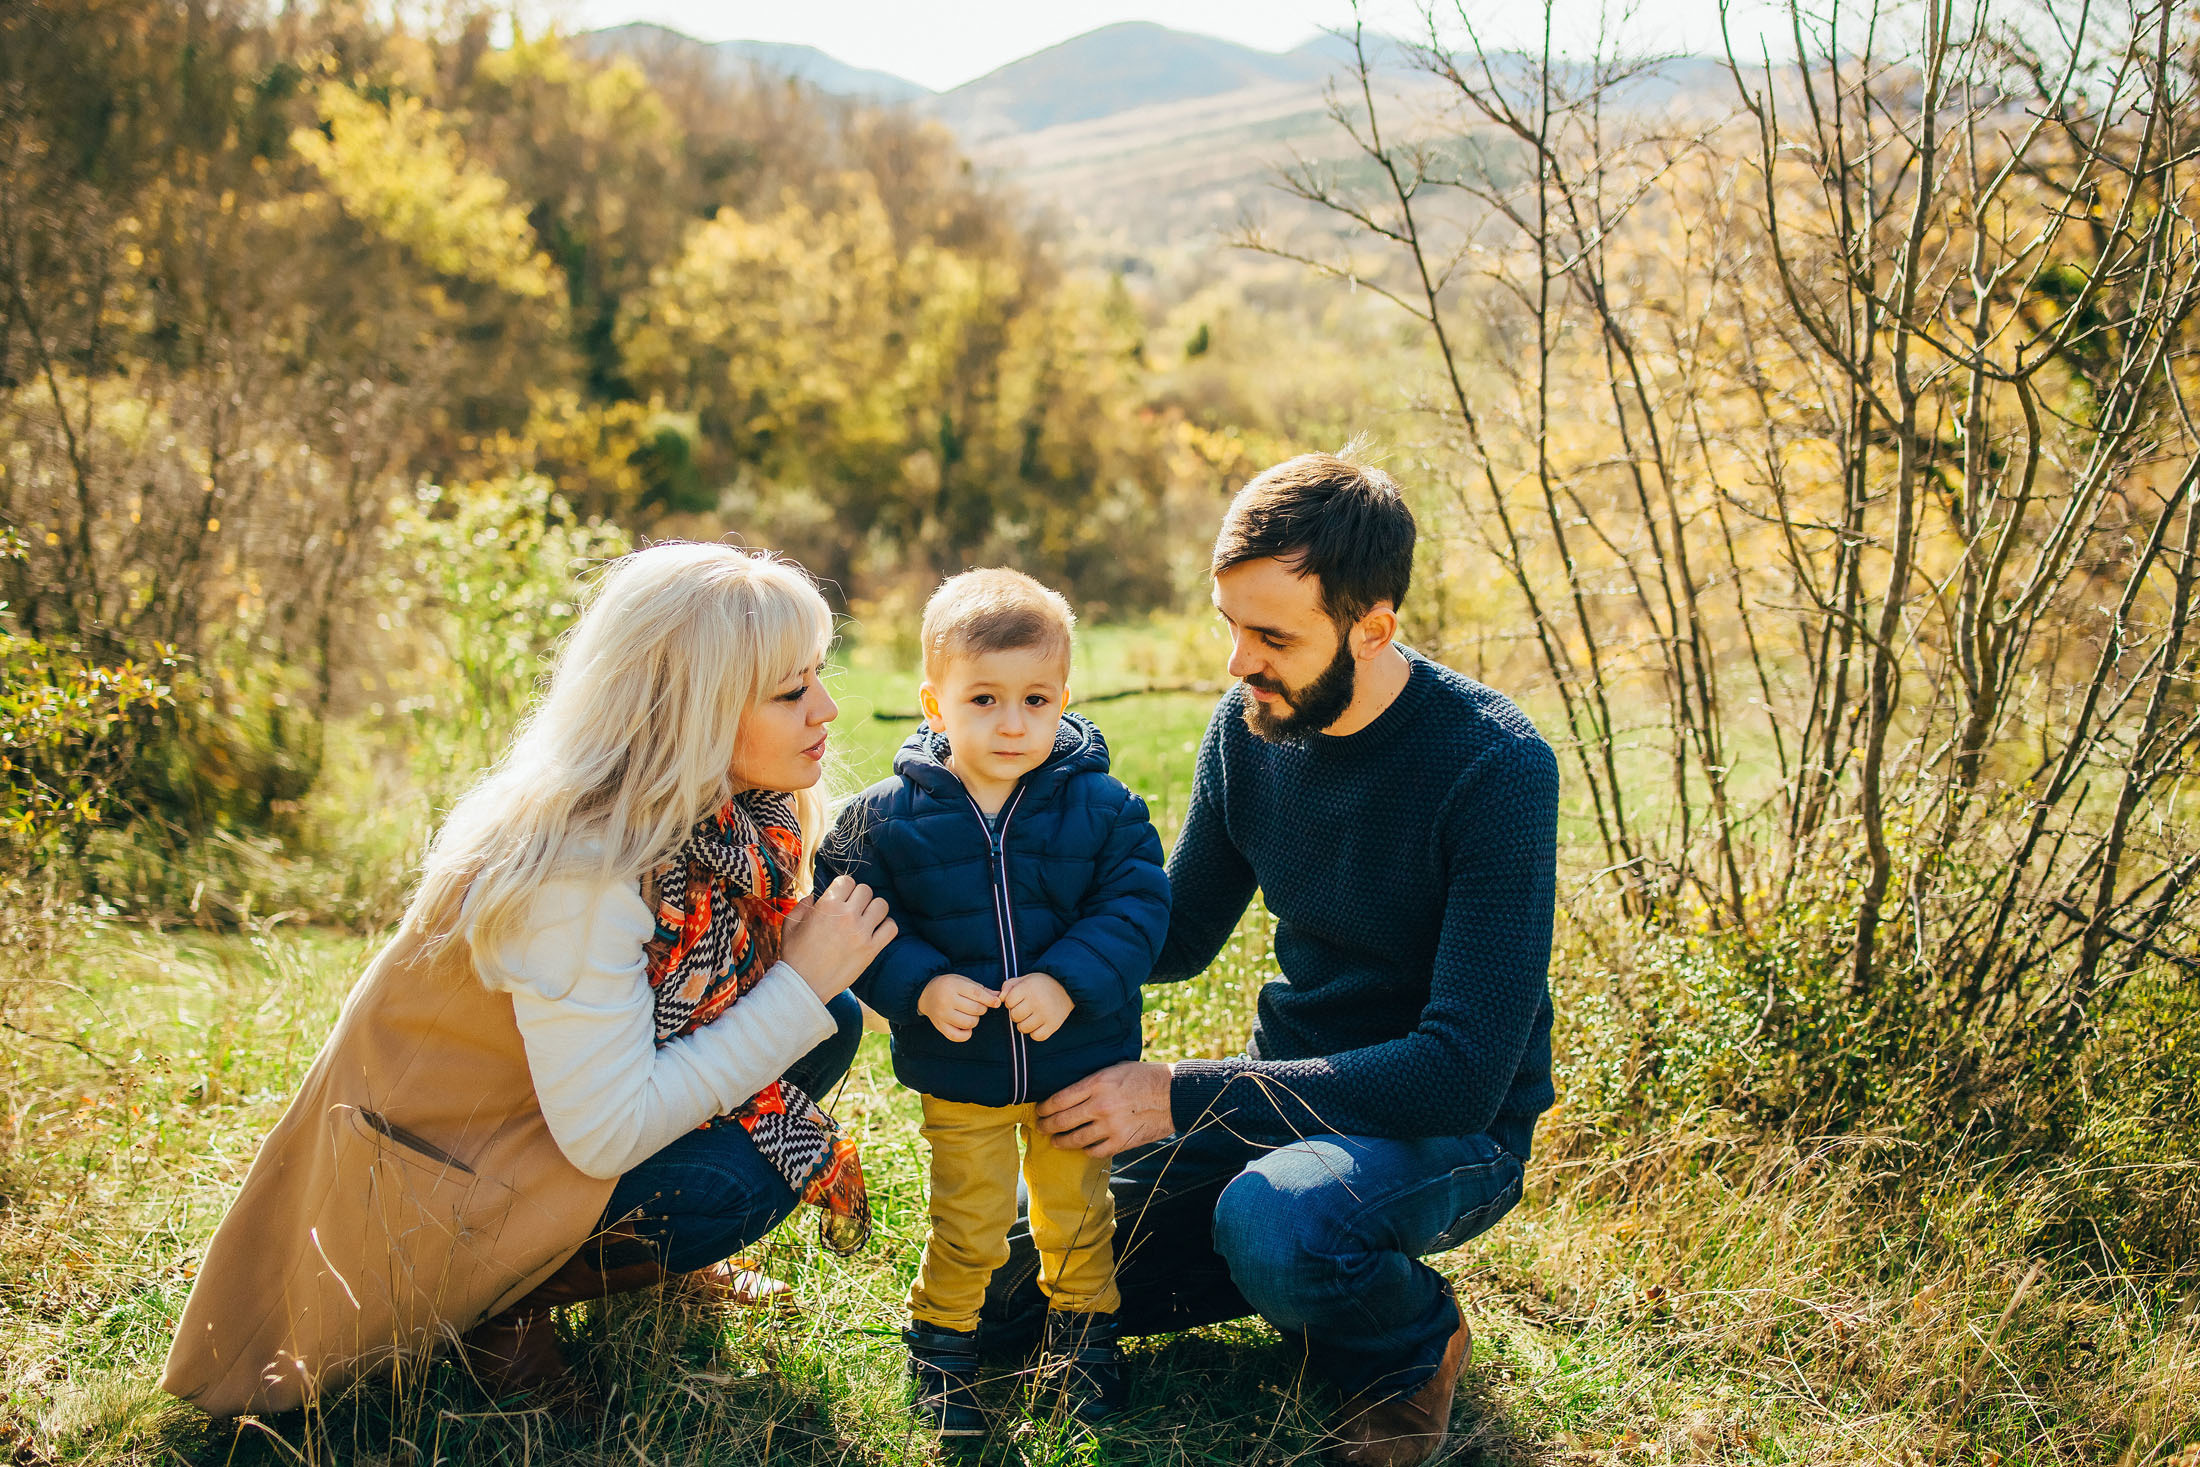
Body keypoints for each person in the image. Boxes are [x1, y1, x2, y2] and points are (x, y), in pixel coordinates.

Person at [162, 544, 898, 1418]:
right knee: (747, 1169)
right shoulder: (582, 872)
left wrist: (814, 986)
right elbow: (606, 1132)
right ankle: (504, 1311)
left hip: (536, 1121)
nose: (828, 707)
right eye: (790, 691)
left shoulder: (725, 822)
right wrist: (797, 985)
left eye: (816, 675)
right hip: (441, 1187)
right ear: (689, 714)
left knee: (831, 1020)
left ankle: (654, 1269)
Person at [987, 452, 1559, 1467]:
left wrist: (1179, 1098)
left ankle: (1409, 1345)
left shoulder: (1494, 765)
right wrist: (1011, 933)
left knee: (1277, 1221)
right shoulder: (1247, 729)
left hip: (1447, 1131)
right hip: (1284, 1106)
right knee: (1015, 1268)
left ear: (1372, 628)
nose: (1238, 664)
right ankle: (1284, 1275)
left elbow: (1459, 1073)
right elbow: (1177, 931)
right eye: (1231, 627)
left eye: (1273, 637)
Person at [819, 569, 1170, 1436]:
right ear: (934, 704)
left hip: (1076, 1065)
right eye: (984, 698)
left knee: (1080, 1215)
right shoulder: (883, 821)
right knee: (971, 1224)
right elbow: (854, 919)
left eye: (1036, 699)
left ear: (1064, 699)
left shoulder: (1103, 806)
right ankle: (943, 1350)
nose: (1013, 723)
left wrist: (1068, 980)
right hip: (962, 1072)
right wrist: (922, 985)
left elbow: (1136, 906)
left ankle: (1082, 1345)